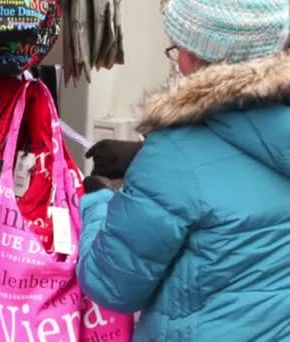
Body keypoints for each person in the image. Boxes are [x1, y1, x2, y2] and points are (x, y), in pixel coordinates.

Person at [77, 0, 290, 340]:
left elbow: (111, 285)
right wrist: (142, 158)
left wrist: (98, 206)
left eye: (178, 47)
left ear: (201, 54)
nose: (178, 59)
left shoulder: (174, 154)